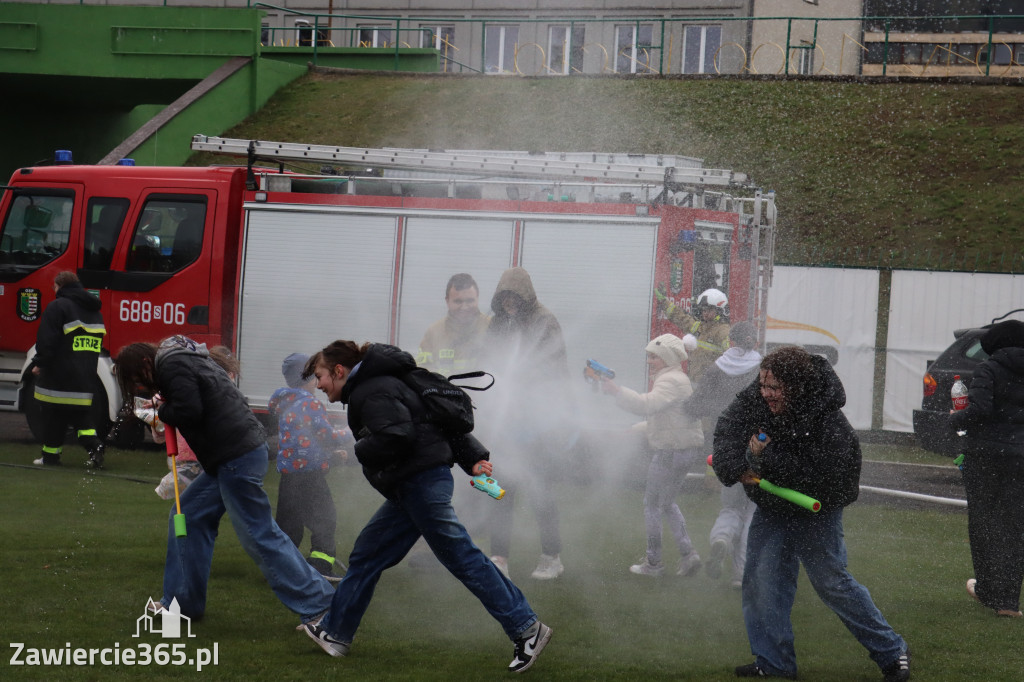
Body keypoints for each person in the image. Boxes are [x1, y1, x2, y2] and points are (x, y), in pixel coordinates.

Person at [301, 341, 553, 673]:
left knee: (462, 557)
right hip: (414, 485)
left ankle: (526, 627)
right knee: (367, 553)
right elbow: (431, 422)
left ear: (338, 370)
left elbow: (399, 435)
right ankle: (335, 633)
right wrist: (472, 459)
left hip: (419, 484)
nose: (318, 385)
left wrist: (359, 448)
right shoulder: (385, 382)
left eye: (319, 376)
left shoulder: (370, 390)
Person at [712, 346, 910, 681]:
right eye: (763, 385)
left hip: (818, 508)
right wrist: (736, 466)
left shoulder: (829, 420)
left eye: (774, 388)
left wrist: (766, 458)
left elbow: (821, 477)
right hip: (773, 507)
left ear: (796, 385)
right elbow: (728, 428)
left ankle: (892, 652)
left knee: (832, 583)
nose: (766, 394)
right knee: (762, 581)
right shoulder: (756, 397)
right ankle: (773, 663)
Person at [114, 335, 334, 623]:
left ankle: (321, 605)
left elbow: (189, 410)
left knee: (259, 535)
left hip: (235, 456)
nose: (141, 386)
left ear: (145, 362)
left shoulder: (169, 364)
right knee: (188, 517)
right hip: (234, 454)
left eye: (136, 379)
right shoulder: (183, 358)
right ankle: (182, 605)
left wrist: (162, 411)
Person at [481, 266, 574, 580]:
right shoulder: (497, 324)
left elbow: (554, 368)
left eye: (514, 297)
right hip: (506, 424)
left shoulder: (544, 321)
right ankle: (499, 557)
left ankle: (552, 556)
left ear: (525, 296)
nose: (508, 303)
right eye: (503, 297)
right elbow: (488, 361)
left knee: (541, 492)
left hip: (538, 425)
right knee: (500, 490)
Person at [600, 333, 704, 577]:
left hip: (670, 453)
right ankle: (689, 556)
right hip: (684, 451)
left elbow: (647, 405)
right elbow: (666, 419)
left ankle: (654, 563)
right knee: (666, 503)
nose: (649, 362)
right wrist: (632, 431)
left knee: (652, 504)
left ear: (666, 357)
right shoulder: (677, 378)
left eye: (653, 357)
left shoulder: (669, 381)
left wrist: (617, 392)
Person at [947, 319, 1024, 618]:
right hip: (1021, 460)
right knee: (1013, 527)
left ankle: (987, 589)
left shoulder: (989, 369)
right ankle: (1008, 602)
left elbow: (979, 411)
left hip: (986, 457)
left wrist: (954, 417)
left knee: (983, 524)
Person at [684, 320, 761, 586]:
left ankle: (721, 538)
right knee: (752, 510)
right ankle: (741, 575)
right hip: (757, 447)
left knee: (731, 506)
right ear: (755, 342)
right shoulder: (763, 369)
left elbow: (696, 404)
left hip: (726, 445)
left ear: (730, 341)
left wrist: (685, 408)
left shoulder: (717, 369)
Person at [270, 352, 352, 583]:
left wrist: (327, 454)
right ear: (308, 376)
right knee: (325, 519)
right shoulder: (310, 403)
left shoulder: (284, 402)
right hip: (310, 475)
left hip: (289, 475)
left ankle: (281, 569)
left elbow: (302, 438)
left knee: (289, 525)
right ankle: (321, 566)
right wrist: (349, 432)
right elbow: (327, 435)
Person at [31, 271, 107, 469]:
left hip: (59, 374)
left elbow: (47, 341)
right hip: (85, 374)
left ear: (59, 286)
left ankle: (50, 458)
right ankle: (95, 447)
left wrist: (39, 363)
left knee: (53, 417)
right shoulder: (93, 310)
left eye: (54, 287)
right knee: (80, 417)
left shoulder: (58, 306)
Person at [415, 272, 491, 375]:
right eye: (458, 301)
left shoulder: (491, 327)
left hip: (482, 390)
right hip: (444, 390)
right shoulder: (433, 333)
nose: (464, 307)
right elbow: (422, 372)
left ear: (477, 298)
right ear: (447, 301)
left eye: (470, 301)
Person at [661, 287, 731, 382]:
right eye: (704, 310)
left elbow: (731, 357)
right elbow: (682, 319)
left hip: (711, 385)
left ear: (719, 311)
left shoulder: (723, 331)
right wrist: (664, 302)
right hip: (695, 381)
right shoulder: (699, 327)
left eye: (709, 310)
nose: (705, 313)